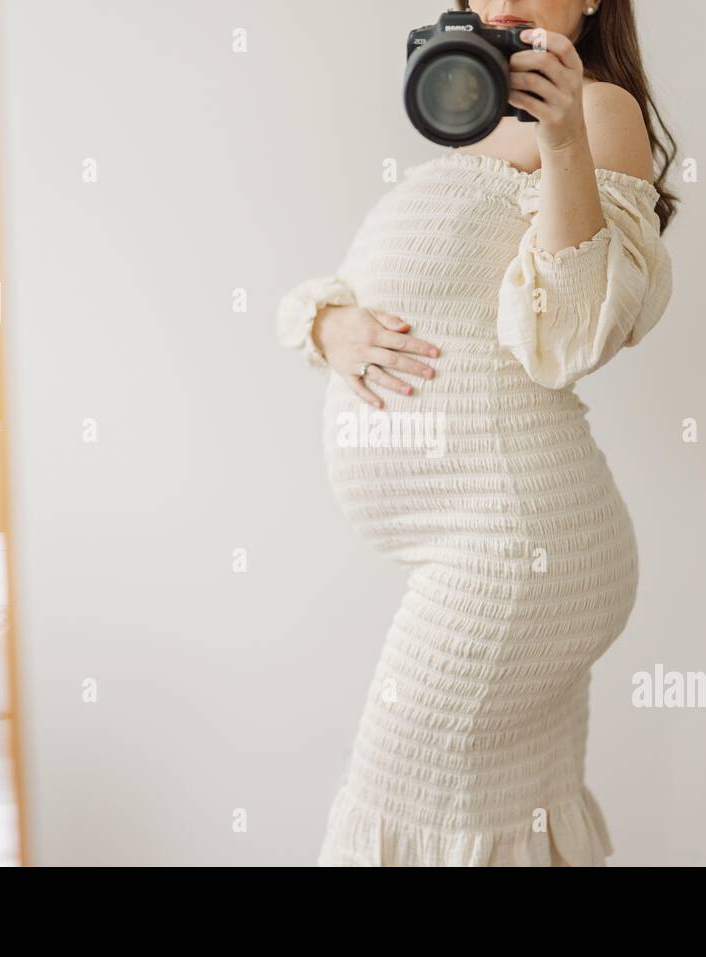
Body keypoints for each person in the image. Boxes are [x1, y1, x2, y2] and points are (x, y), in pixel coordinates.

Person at [277, 0, 677, 866]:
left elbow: (567, 335)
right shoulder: (474, 123)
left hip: (516, 546)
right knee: (516, 815)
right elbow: (389, 295)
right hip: (494, 546)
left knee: (401, 797)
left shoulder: (594, 111)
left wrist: (567, 137)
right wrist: (328, 329)